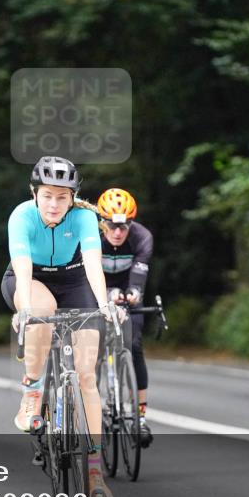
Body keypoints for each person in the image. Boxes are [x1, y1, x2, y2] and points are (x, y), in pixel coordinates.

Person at [3, 156, 121, 497]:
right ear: (34, 194)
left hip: (74, 281)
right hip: (31, 280)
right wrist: (24, 309)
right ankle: (33, 393)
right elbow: (22, 267)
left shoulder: (85, 217)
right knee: (41, 312)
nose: (54, 204)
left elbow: (93, 264)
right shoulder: (21, 216)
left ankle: (95, 472)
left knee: (87, 378)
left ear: (72, 198)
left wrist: (104, 307)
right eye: (47, 196)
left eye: (62, 197)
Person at [97, 188, 154, 447]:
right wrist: (109, 294)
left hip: (127, 291)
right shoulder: (92, 238)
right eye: (112, 226)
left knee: (134, 346)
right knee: (93, 350)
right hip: (97, 291)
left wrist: (133, 293)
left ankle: (139, 418)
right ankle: (92, 407)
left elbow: (139, 277)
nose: (118, 232)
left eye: (124, 226)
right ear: (102, 223)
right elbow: (86, 276)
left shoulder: (142, 237)